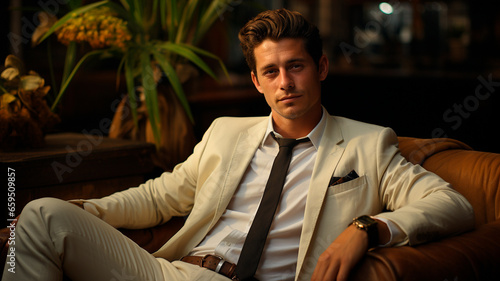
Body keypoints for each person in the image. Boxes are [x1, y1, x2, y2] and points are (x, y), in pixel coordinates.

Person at [2, 8, 473, 281]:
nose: (285, 82)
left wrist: (367, 227)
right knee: (42, 215)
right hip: (174, 272)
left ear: (322, 68)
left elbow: (451, 203)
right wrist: (89, 212)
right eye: (271, 72)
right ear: (256, 81)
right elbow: (158, 196)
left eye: (297, 66)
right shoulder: (227, 132)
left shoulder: (368, 144)